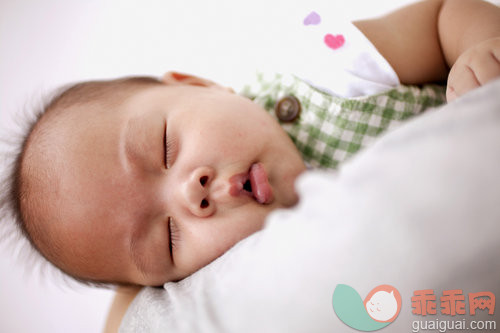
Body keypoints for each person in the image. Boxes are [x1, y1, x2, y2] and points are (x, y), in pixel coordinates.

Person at [0, 0, 499, 293]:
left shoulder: (323, 71)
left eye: (166, 147)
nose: (190, 194)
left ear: (199, 85)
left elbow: (444, 15)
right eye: (168, 239)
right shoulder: (252, 281)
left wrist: (480, 48)